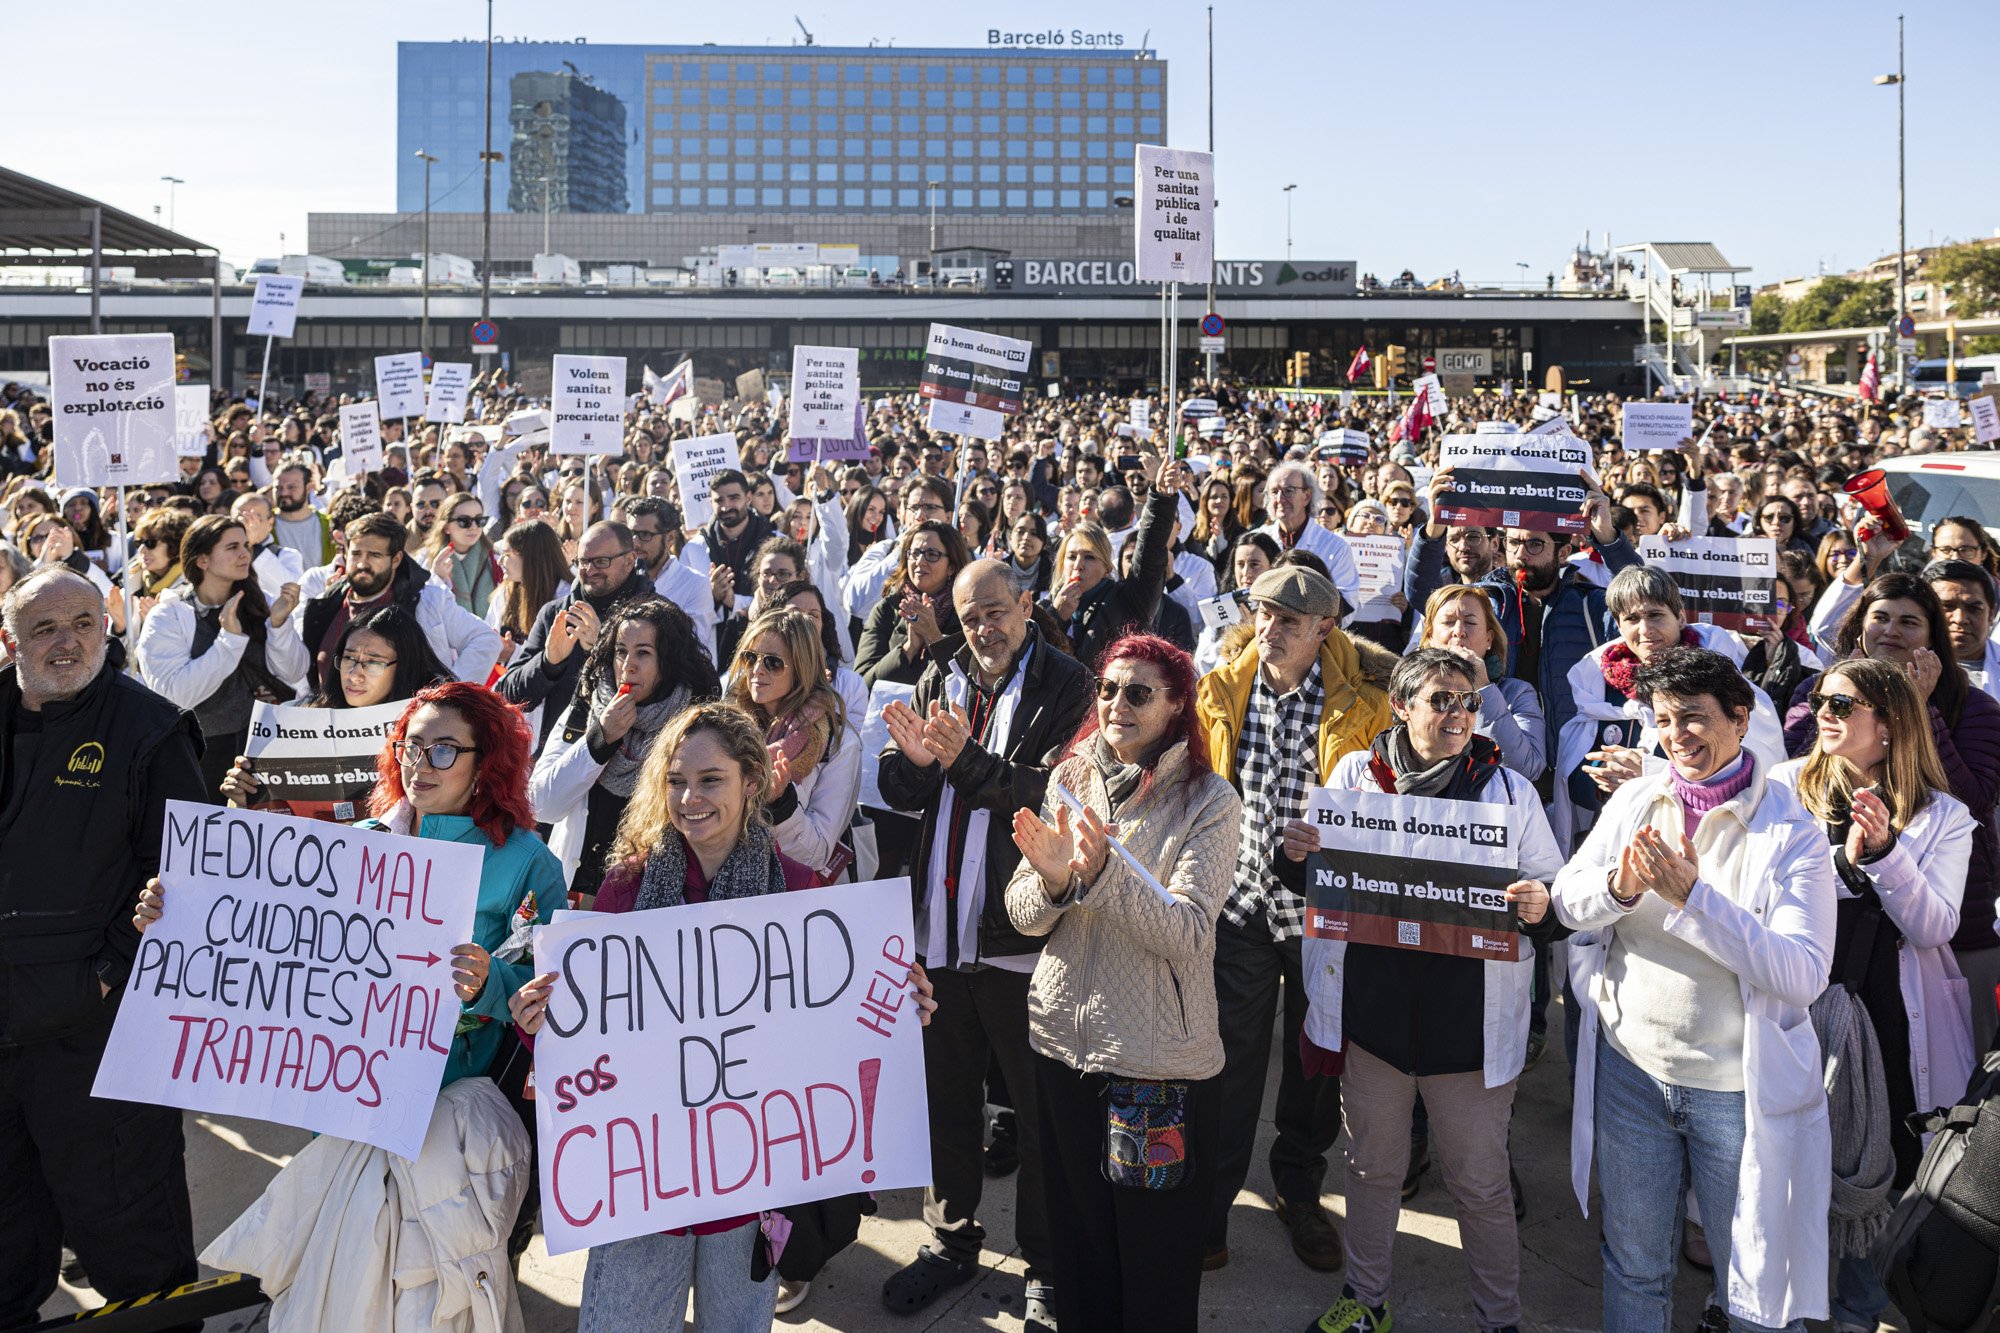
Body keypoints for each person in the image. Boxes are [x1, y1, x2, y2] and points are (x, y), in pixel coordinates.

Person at [510, 703, 822, 1331]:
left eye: (711, 780)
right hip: (643, 1178)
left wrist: (895, 1005)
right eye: (676, 780)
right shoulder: (626, 887)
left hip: (747, 1175)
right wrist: (533, 1017)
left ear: (752, 783)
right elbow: (586, 1014)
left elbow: (828, 1025)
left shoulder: (798, 891)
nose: (689, 797)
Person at [1553, 648, 1835, 1333]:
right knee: (1635, 1266)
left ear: (1741, 720)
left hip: (1737, 1093)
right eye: (1666, 718)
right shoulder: (1635, 798)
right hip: (1632, 1076)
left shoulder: (1793, 833)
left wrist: (1692, 898)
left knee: (1756, 1290)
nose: (1678, 734)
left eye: (1696, 718)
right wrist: (1620, 889)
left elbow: (1802, 972)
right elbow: (1568, 900)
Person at [1288, 649, 1563, 1333]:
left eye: (1467, 701)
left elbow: (1558, 901)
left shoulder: (1509, 792)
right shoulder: (1357, 774)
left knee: (1480, 1184)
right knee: (1372, 1169)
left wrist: (1542, 905)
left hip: (1466, 1032)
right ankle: (1366, 1299)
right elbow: (1322, 884)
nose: (1457, 714)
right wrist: (1291, 856)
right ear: (1401, 706)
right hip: (1377, 1025)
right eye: (1440, 700)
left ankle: (1499, 1320)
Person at [876, 558, 1093, 1329]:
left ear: (1028, 605)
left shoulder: (1071, 683)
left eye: (996, 611)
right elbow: (904, 795)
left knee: (1038, 1112)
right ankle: (949, 1236)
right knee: (946, 1098)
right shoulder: (944, 674)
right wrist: (910, 764)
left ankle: (1047, 1261)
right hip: (939, 929)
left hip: (1018, 936)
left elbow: (1058, 792)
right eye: (970, 618)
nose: (985, 629)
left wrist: (962, 759)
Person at [1003, 633, 1241, 1333]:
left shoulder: (1210, 801)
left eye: (1138, 692)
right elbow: (1021, 914)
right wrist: (1051, 882)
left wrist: (1103, 873)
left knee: (1153, 1267)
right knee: (1079, 1257)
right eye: (1107, 688)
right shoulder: (1068, 777)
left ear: (1175, 706)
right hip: (1061, 1054)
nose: (1116, 703)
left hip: (1153, 1067)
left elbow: (1190, 932)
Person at [0, 567, 207, 1329]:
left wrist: (105, 972)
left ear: (108, 627)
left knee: (134, 1248)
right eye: (46, 627)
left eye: (84, 622)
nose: (67, 642)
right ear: (10, 638)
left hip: (99, 1043)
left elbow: (185, 878)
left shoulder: (149, 728)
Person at [1193, 566, 1392, 1273]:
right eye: (1263, 614)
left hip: (1324, 914)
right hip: (1241, 904)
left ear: (1325, 628)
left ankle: (1298, 1188)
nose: (1269, 629)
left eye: (1287, 620)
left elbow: (1388, 807)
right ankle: (1210, 1204)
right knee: (1229, 1062)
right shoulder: (1221, 685)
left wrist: (1338, 840)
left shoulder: (1367, 704)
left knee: (1313, 1063)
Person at [1768, 659, 1976, 1333]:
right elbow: (1759, 899)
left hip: (1891, 1021)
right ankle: (1778, 1305)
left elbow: (1934, 924)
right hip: (1794, 1009)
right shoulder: (1782, 790)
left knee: (1873, 1170)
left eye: (1841, 702)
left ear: (1888, 725)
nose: (1822, 710)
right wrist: (1841, 861)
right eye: (1820, 698)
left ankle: (1856, 1313)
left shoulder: (1945, 816)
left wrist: (1887, 853)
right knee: (1782, 1160)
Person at [1786, 571, 2000, 1051]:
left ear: (1932, 639)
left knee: (1943, 1065)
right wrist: (1850, 708)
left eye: (1910, 622)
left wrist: (1918, 709)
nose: (1892, 632)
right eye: (1879, 618)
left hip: (1951, 920)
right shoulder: (1816, 695)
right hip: (1829, 929)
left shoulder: (1975, 707)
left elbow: (1974, 800)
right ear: (1859, 625)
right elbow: (1804, 775)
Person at [1407, 465, 1635, 821]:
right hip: (1493, 763)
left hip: (1569, 772)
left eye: (1534, 544)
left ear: (1563, 553)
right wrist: (1434, 529)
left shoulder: (1591, 606)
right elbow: (1424, 595)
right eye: (1514, 542)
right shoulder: (1486, 600)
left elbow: (1641, 602)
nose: (1520, 555)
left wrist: (1608, 538)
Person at [1556, 566, 1787, 853]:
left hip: (1708, 843)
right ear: (1618, 625)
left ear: (1679, 617)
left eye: (1655, 615)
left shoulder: (1726, 685)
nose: (1645, 630)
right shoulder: (1595, 688)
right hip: (1622, 844)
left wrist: (1649, 774)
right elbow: (1573, 785)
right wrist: (1601, 778)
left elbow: (1759, 770)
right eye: (1632, 619)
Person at [532, 598, 720, 902]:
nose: (628, 665)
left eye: (643, 653)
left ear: (668, 662)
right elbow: (542, 804)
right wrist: (600, 739)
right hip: (576, 890)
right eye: (621, 652)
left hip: (649, 898)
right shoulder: (591, 702)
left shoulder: (695, 724)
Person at [136, 514, 309, 798]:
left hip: (268, 749)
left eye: (245, 546)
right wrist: (229, 641)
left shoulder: (261, 602)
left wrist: (279, 626)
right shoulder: (168, 615)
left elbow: (295, 673)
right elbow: (175, 696)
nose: (244, 554)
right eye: (232, 548)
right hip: (199, 758)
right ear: (202, 561)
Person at [218, 605, 453, 810]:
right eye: (349, 658)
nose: (354, 675)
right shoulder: (298, 716)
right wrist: (243, 796)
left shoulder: (431, 729)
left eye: (372, 662)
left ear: (404, 667)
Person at [298, 512, 503, 692]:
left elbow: (485, 640)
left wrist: (446, 696)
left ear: (396, 559)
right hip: (337, 731)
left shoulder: (427, 601)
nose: (362, 563)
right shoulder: (325, 604)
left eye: (375, 555)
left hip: (405, 732)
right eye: (356, 554)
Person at [727, 606, 859, 883]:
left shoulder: (837, 742)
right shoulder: (728, 727)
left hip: (798, 899)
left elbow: (818, 854)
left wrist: (780, 806)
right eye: (750, 658)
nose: (757, 670)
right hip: (732, 886)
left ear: (802, 667)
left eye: (773, 662)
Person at [496, 520, 655, 746]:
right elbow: (508, 694)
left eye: (601, 561)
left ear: (629, 561)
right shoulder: (555, 614)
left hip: (626, 756)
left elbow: (663, 696)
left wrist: (599, 651)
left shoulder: (655, 617)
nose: (590, 571)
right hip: (558, 755)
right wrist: (548, 663)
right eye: (583, 561)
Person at [1045, 462, 1185, 670]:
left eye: (1090, 557)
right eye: (1071, 556)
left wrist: (1162, 497)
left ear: (1107, 567)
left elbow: (1149, 552)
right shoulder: (1045, 608)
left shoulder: (1126, 601)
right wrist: (1056, 617)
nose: (1079, 565)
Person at [1418, 584, 1548, 781]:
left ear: (1489, 638)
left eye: (1470, 623)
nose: (1459, 632)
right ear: (1430, 637)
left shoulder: (1517, 694)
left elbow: (1528, 769)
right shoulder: (1413, 691)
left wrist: (1483, 689)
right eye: (1448, 622)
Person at [857, 520, 969, 687]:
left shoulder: (966, 613)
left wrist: (934, 637)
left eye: (932, 555)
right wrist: (908, 649)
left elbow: (970, 682)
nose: (920, 562)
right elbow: (862, 684)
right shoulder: (887, 609)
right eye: (915, 553)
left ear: (951, 566)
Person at [1923, 559, 2000, 702]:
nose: (1960, 619)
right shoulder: (1902, 662)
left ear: (1992, 614)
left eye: (1974, 609)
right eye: (1947, 607)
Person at [422, 492, 502, 619]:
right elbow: (424, 608)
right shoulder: (426, 560)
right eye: (464, 521)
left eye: (480, 520)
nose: (474, 527)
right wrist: (438, 578)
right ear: (446, 526)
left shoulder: (496, 559)